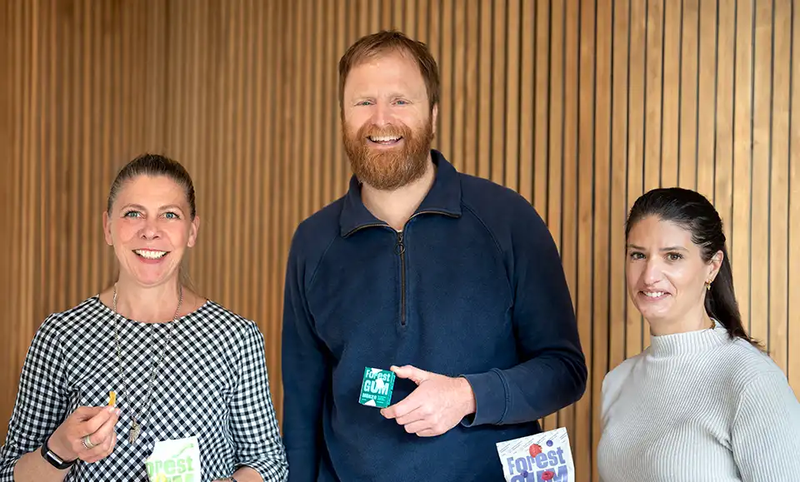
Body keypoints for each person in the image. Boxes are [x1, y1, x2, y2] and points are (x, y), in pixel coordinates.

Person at [281, 30, 587, 481]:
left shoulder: (508, 220)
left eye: (400, 101)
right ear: (342, 115)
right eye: (363, 102)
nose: (380, 119)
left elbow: (564, 370)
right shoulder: (313, 242)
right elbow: (302, 408)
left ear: (434, 114)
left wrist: (467, 395)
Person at [0, 154, 288, 482]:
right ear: (108, 227)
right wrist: (60, 449)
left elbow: (268, 461)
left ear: (191, 232)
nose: (150, 231)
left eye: (169, 215)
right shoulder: (61, 335)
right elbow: (9, 473)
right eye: (133, 213)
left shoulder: (235, 337)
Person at [597, 187, 800, 481]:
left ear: (712, 267)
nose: (649, 275)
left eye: (673, 256)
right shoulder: (616, 383)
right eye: (638, 255)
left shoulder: (751, 381)